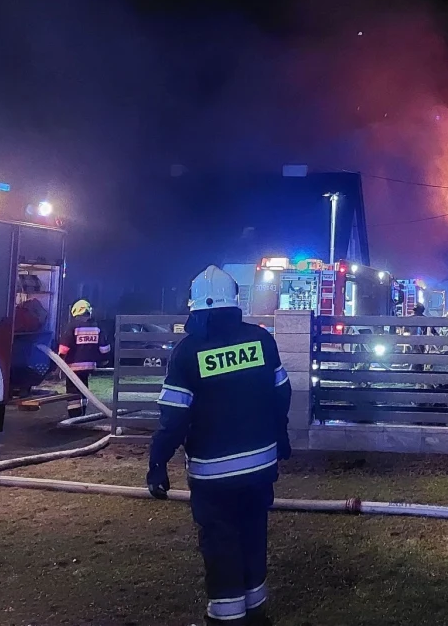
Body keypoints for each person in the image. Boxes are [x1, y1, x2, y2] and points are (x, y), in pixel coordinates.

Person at [147, 265, 292, 625]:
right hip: (261, 467)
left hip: (213, 474)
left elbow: (174, 419)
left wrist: (157, 464)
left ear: (196, 307)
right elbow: (282, 392)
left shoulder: (187, 352)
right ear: (235, 303)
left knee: (220, 543)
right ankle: (256, 610)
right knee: (253, 534)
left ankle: (227, 617)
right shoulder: (260, 340)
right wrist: (281, 434)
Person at [57, 299, 111, 418]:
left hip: (72, 367)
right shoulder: (96, 327)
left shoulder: (72, 326)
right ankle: (83, 413)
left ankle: (74, 416)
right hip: (89, 366)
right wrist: (104, 359)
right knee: (84, 389)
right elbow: (104, 348)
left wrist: (59, 361)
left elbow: (64, 347)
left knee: (72, 392)